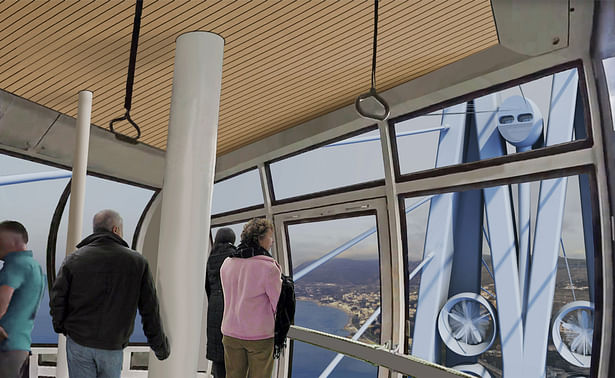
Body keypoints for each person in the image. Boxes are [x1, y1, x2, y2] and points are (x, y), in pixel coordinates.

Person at [50, 210, 169, 378]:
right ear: (115, 230)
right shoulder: (137, 262)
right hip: (112, 345)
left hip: (79, 341)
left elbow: (57, 299)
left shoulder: (74, 259)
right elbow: (149, 309)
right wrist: (160, 347)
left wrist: (61, 327)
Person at [220, 219, 282, 378]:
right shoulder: (269, 268)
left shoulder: (227, 263)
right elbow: (279, 305)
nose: (272, 240)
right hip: (259, 337)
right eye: (270, 236)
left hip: (230, 333)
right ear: (260, 239)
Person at [0, 221, 44, 378]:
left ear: (12, 240)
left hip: (5, 347)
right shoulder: (35, 267)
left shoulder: (15, 265)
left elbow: (2, 302)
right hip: (21, 345)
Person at [205, 228, 236, 378]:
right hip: (231, 306)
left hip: (214, 305)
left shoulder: (211, 258)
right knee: (233, 353)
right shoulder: (235, 256)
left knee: (217, 350)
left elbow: (207, 286)